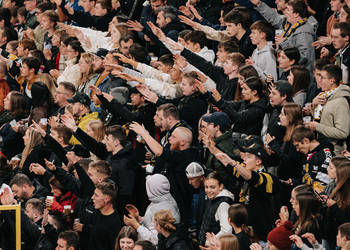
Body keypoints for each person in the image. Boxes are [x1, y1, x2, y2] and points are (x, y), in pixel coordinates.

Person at [251, 0, 317, 70]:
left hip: (300, 76)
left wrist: (284, 43)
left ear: (296, 14)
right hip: (288, 72)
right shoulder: (287, 24)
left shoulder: (304, 33)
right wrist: (259, 4)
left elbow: (304, 57)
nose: (285, 12)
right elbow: (274, 17)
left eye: (288, 10)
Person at [305, 64, 350, 154]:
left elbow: (343, 132)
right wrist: (314, 106)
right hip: (322, 147)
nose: (319, 81)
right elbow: (322, 120)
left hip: (334, 152)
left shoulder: (341, 102)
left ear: (332, 80)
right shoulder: (325, 96)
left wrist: (317, 127)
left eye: (322, 78)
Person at [123, 174, 180, 245]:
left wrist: (136, 225)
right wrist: (139, 218)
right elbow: (151, 224)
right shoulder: (160, 200)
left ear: (153, 189)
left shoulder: (164, 209)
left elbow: (155, 239)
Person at [73, 181, 121, 250]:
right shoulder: (97, 212)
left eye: (96, 195)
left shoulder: (114, 223)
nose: (92, 197)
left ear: (107, 199)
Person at [291, 125, 334, 190]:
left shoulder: (325, 155)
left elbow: (326, 183)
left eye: (297, 145)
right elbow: (308, 177)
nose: (297, 149)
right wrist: (295, 182)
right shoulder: (308, 153)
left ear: (306, 141)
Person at [198, 172, 234, 246]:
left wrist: (208, 242)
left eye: (212, 187)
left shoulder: (223, 204)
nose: (208, 190)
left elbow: (227, 231)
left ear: (221, 186)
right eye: (206, 187)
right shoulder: (213, 198)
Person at [185, 162, 206, 235]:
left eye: (192, 179)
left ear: (201, 177)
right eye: (188, 179)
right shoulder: (200, 191)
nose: (189, 182)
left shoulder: (210, 193)